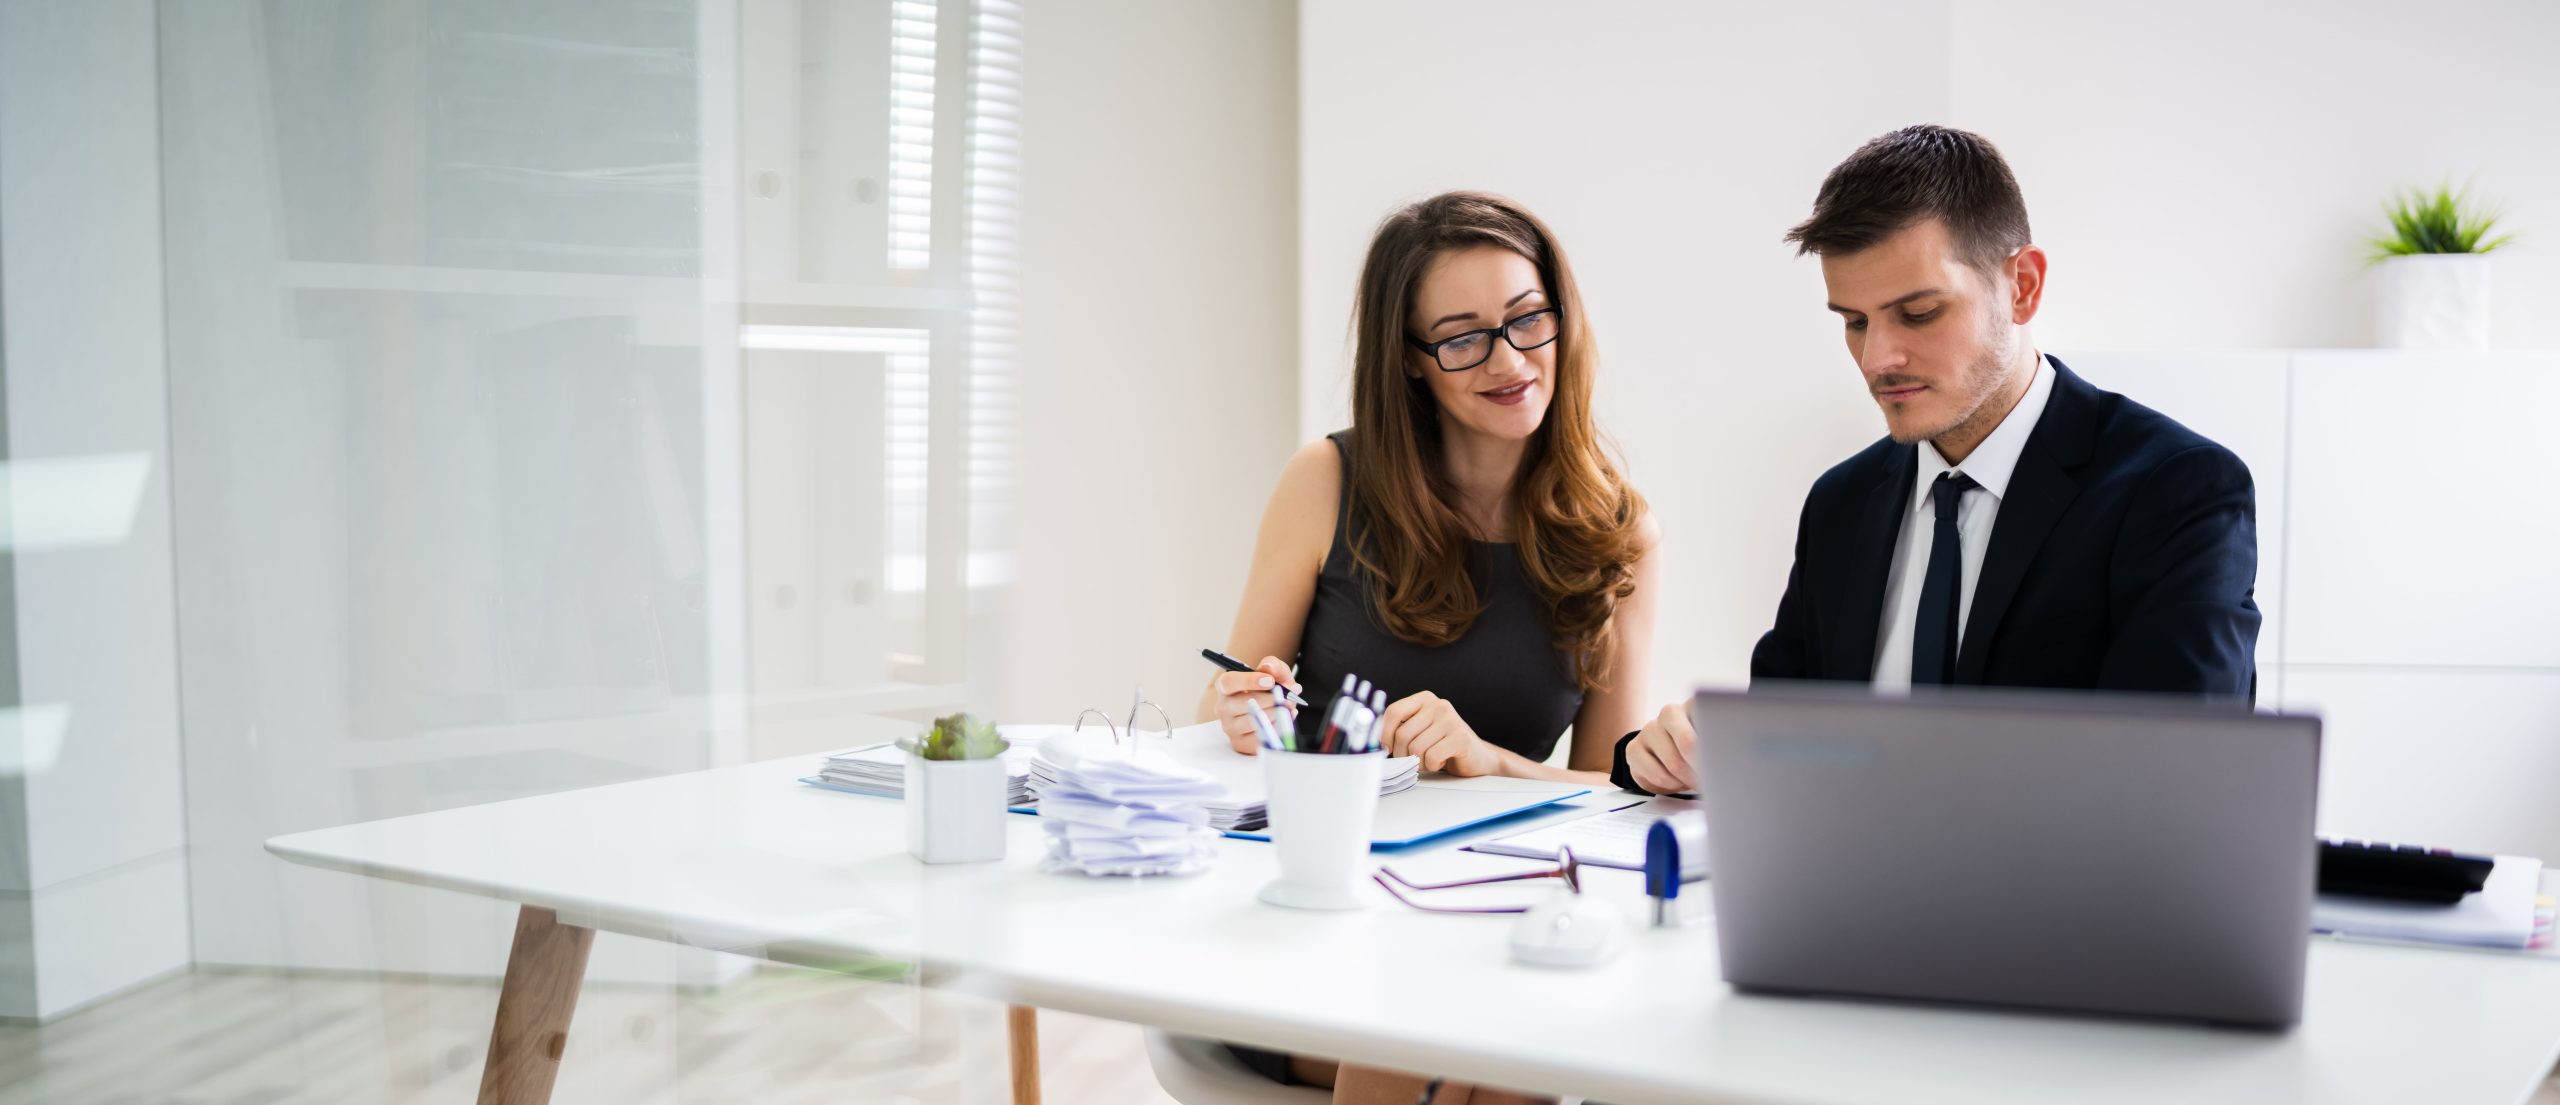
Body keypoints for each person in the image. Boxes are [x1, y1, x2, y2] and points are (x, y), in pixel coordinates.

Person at [1615, 124, 2259, 797]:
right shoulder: (1841, 503)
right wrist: (1674, 754)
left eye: (1917, 313)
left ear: (2023, 287)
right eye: (1855, 321)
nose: (1876, 360)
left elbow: (2177, 780)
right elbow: (1778, 740)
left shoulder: (2176, 491)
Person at [1201, 191, 1658, 1104]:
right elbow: (1228, 710)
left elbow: (1615, 793)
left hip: (1489, 917)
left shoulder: (1618, 528)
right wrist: (1248, 713)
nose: (1510, 359)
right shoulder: (1327, 480)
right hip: (1321, 920)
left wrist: (1489, 761)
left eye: (1529, 319)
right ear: (1412, 363)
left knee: (1511, 1042)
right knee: (1445, 1034)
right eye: (1463, 336)